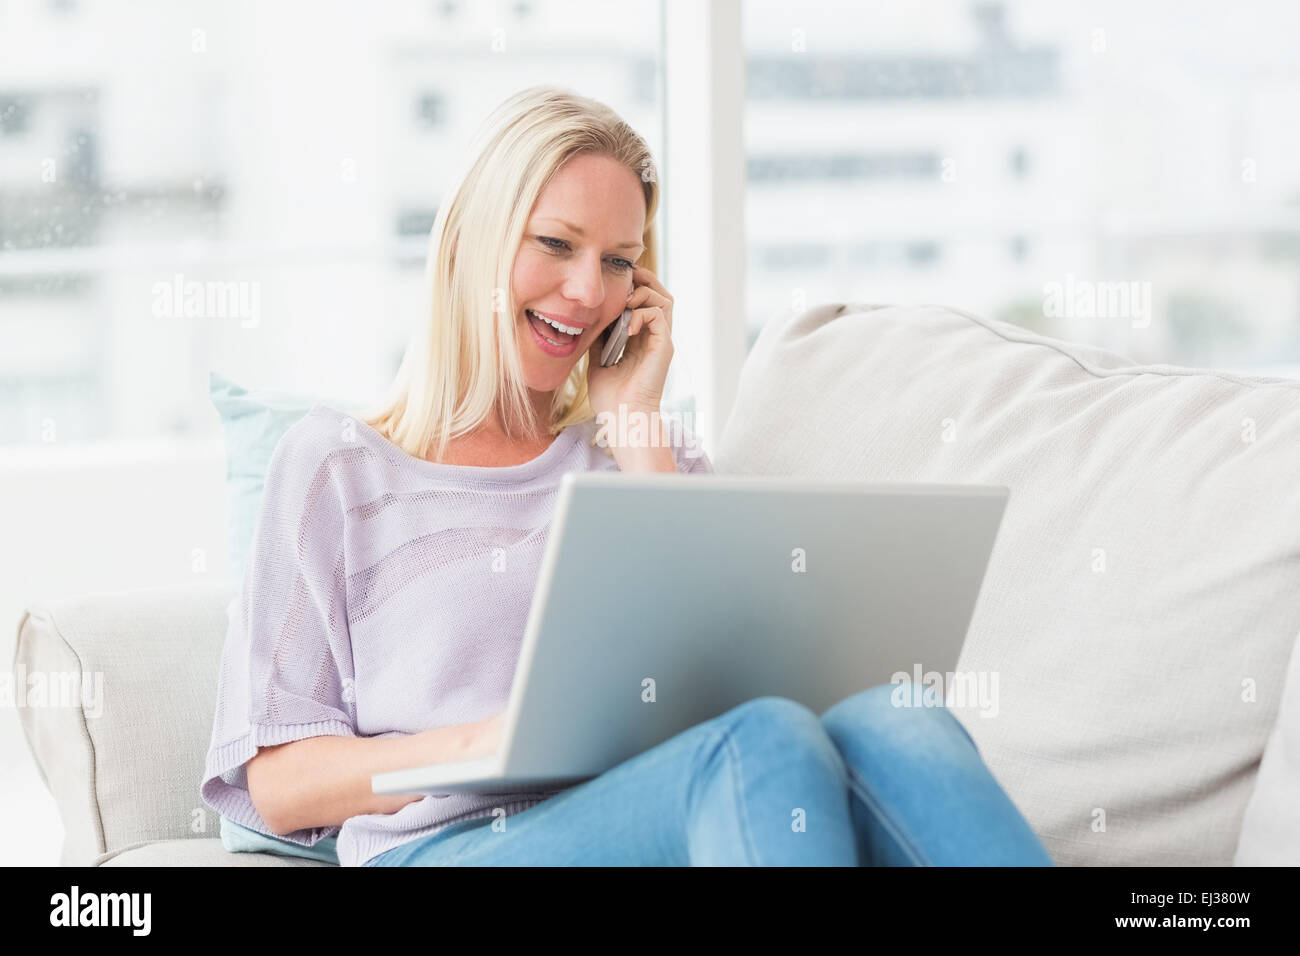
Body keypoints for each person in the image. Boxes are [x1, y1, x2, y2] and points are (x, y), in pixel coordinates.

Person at [200, 85, 1053, 867]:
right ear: (469, 241)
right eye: (556, 244)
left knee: (897, 719)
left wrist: (636, 422)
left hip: (664, 806)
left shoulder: (643, 451)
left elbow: (734, 680)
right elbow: (280, 784)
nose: (585, 290)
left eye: (618, 261)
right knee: (757, 746)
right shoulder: (338, 468)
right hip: (450, 845)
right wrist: (485, 743)